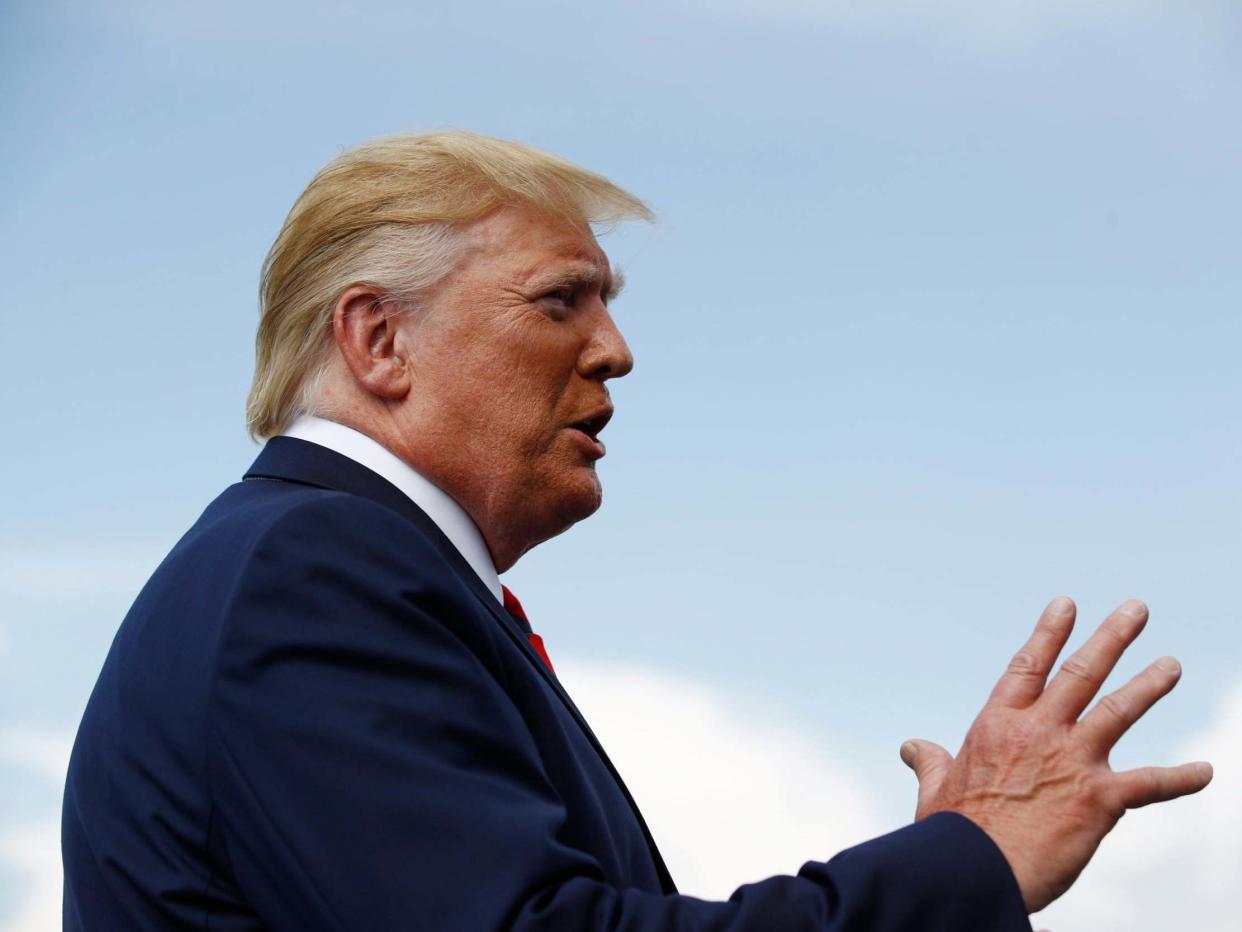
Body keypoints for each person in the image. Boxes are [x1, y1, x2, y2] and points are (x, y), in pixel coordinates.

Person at [61, 131, 1213, 930]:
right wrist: (969, 860)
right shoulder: (312, 571)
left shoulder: (329, 571)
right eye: (562, 298)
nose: (615, 349)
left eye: (609, 304)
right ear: (378, 341)